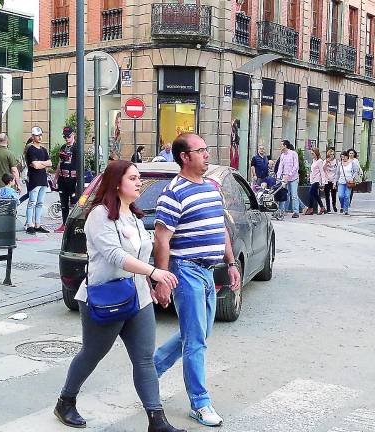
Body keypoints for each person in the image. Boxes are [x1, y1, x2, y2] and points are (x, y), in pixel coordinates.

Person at [54, 160, 184, 432]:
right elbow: (115, 255)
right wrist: (155, 273)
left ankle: (156, 420)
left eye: (139, 178)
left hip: (138, 297)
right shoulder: (99, 216)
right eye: (133, 178)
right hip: (105, 297)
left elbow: (139, 254)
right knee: (92, 353)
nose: (139, 183)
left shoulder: (135, 217)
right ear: (116, 183)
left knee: (144, 358)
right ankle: (66, 400)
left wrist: (150, 284)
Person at [152, 133, 241, 427]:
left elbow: (221, 228)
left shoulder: (212, 188)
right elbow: (161, 240)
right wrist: (163, 280)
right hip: (185, 270)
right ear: (184, 157)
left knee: (199, 333)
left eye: (206, 149)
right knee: (195, 341)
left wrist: (230, 263)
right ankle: (200, 403)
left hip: (207, 271)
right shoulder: (173, 193)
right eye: (200, 150)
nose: (206, 154)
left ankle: (151, 368)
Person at [25, 126, 52, 234]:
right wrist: (43, 164)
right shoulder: (30, 149)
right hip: (34, 179)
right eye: (37, 135)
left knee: (40, 202)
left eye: (40, 135)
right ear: (33, 136)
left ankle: (37, 224)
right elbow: (35, 165)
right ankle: (29, 224)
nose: (40, 137)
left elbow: (50, 163)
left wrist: (41, 163)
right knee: (32, 202)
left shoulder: (43, 149)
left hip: (42, 179)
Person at [54, 127, 79, 233]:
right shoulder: (63, 147)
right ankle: (64, 224)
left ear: (73, 134)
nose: (66, 138)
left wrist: (78, 179)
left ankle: (74, 225)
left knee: (74, 202)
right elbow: (60, 163)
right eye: (64, 136)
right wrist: (55, 178)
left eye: (68, 136)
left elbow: (80, 164)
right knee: (63, 203)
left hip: (72, 178)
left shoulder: (77, 147)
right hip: (62, 178)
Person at [0, 133, 21, 198]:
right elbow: (14, 171)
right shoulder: (9, 154)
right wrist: (18, 184)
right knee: (6, 206)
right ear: (7, 141)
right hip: (7, 186)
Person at [276, 140, 300, 218]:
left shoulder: (293, 154)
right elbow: (280, 167)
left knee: (294, 195)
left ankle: (296, 211)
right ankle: (282, 210)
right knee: (283, 194)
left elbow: (296, 166)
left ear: (285, 146)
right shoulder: (282, 155)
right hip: (284, 178)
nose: (280, 147)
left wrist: (289, 175)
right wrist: (278, 177)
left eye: (281, 145)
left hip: (293, 178)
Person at [336, 151, 359, 216]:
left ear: (347, 156)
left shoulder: (352, 163)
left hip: (349, 182)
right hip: (341, 181)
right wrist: (335, 182)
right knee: (340, 195)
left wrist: (352, 177)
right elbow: (337, 173)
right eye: (341, 157)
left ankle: (345, 210)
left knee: (347, 196)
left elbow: (355, 171)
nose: (343, 158)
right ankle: (342, 206)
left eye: (344, 157)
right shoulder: (340, 164)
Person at [305, 149, 326, 215]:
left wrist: (323, 183)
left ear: (316, 153)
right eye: (311, 154)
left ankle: (311, 208)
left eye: (313, 154)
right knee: (315, 195)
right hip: (312, 179)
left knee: (310, 193)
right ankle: (322, 207)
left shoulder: (320, 161)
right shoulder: (314, 161)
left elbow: (322, 172)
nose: (312, 155)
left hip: (317, 180)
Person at [323, 149, 338, 213]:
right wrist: (326, 162)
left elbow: (337, 171)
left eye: (333, 154)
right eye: (330, 154)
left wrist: (335, 181)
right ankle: (328, 208)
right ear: (328, 155)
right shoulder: (325, 161)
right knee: (327, 195)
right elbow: (323, 169)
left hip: (333, 180)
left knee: (333, 194)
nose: (332, 156)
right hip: (327, 180)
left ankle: (334, 205)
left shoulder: (336, 161)